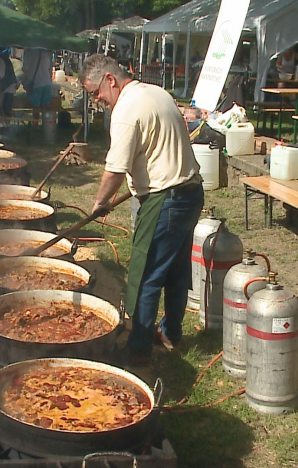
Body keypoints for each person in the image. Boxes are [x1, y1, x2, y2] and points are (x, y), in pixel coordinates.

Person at [79, 55, 203, 364]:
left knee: (146, 273)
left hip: (165, 199)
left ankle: (138, 348)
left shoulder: (126, 110)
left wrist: (100, 203)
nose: (97, 101)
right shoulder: (156, 92)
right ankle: (172, 334)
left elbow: (115, 169)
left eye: (96, 92)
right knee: (175, 270)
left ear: (110, 80)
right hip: (190, 193)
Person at [22, 48, 52, 125]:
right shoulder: (45, 52)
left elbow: (25, 68)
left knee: (36, 107)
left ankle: (35, 125)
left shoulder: (28, 52)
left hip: (36, 82)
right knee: (45, 106)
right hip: (47, 82)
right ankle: (46, 125)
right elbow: (49, 68)